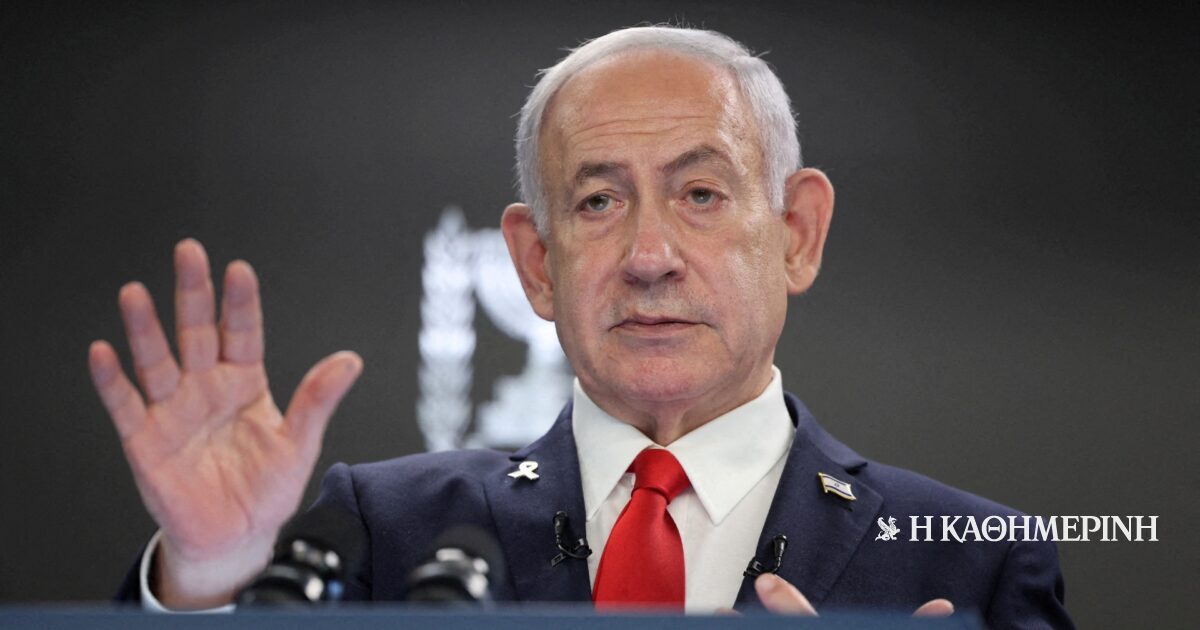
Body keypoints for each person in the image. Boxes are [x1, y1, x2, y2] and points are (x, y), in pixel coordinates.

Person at [91, 26, 1072, 626]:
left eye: (700, 193)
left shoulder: (970, 560)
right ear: (535, 263)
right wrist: (207, 582)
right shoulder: (383, 536)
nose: (650, 255)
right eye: (598, 202)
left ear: (797, 234)